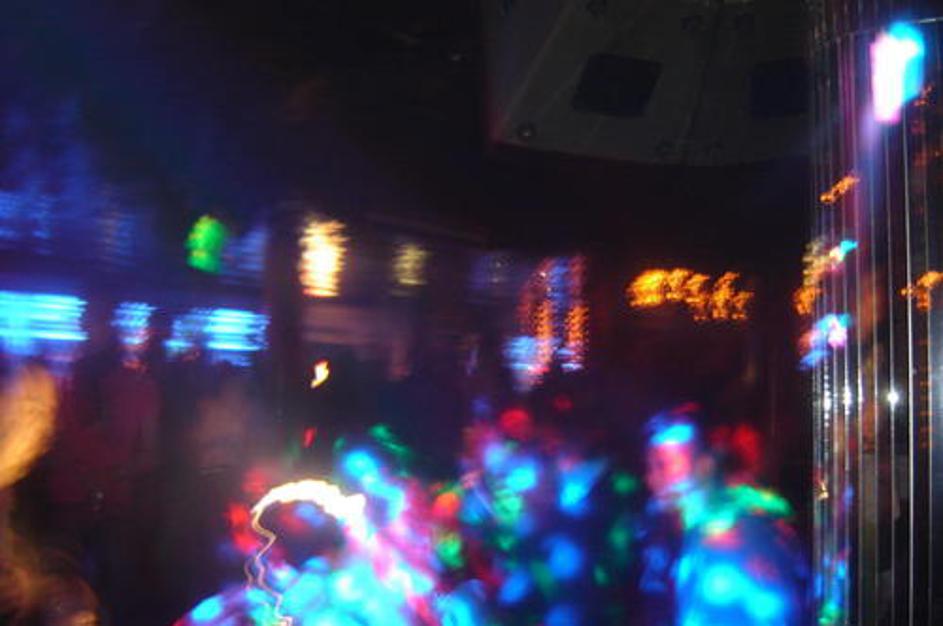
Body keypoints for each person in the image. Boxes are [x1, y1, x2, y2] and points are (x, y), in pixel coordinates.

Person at [641, 406, 809, 626]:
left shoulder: (731, 536)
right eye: (650, 467)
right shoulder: (700, 531)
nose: (651, 478)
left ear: (705, 466)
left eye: (663, 465)